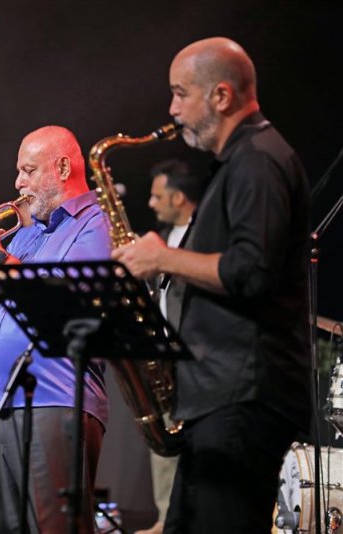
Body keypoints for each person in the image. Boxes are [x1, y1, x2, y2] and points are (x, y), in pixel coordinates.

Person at [112, 37, 310, 533]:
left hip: (242, 397)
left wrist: (164, 257)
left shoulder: (258, 161)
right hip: (220, 397)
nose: (172, 109)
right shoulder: (237, 164)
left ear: (220, 96)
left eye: (180, 94)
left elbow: (251, 271)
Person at [0, 125, 112, 533]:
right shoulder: (26, 235)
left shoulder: (94, 226)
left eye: (28, 170)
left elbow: (67, 309)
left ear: (61, 167)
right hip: (4, 401)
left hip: (57, 399)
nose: (18, 183)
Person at [136, 159, 203, 534]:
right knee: (162, 438)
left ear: (179, 197)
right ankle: (165, 518)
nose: (150, 202)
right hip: (161, 350)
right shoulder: (163, 234)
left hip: (192, 353)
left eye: (157, 194)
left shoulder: (203, 234)